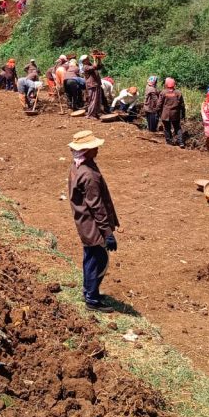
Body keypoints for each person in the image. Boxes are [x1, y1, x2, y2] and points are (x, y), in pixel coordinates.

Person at [67, 130, 119, 314]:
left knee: (91, 258)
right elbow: (96, 206)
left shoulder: (77, 166)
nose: (97, 149)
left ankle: (89, 291)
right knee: (99, 259)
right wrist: (107, 232)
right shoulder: (88, 174)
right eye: (94, 147)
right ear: (86, 150)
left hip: (84, 221)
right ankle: (92, 299)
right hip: (92, 225)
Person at [159, 77, 186, 147]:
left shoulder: (163, 92)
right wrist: (183, 113)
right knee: (177, 127)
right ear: (174, 85)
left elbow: (159, 104)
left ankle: (169, 141)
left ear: (166, 84)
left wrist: (157, 112)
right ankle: (181, 142)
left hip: (165, 114)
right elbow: (182, 105)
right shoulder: (178, 93)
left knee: (167, 127)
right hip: (175, 114)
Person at [83, 53, 104, 118]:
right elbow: (94, 67)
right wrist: (94, 59)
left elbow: (100, 66)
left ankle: (95, 113)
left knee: (97, 100)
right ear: (83, 61)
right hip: (92, 85)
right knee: (93, 100)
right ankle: (90, 114)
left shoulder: (90, 65)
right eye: (86, 59)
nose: (88, 59)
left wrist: (99, 59)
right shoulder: (85, 67)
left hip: (96, 84)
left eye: (88, 58)